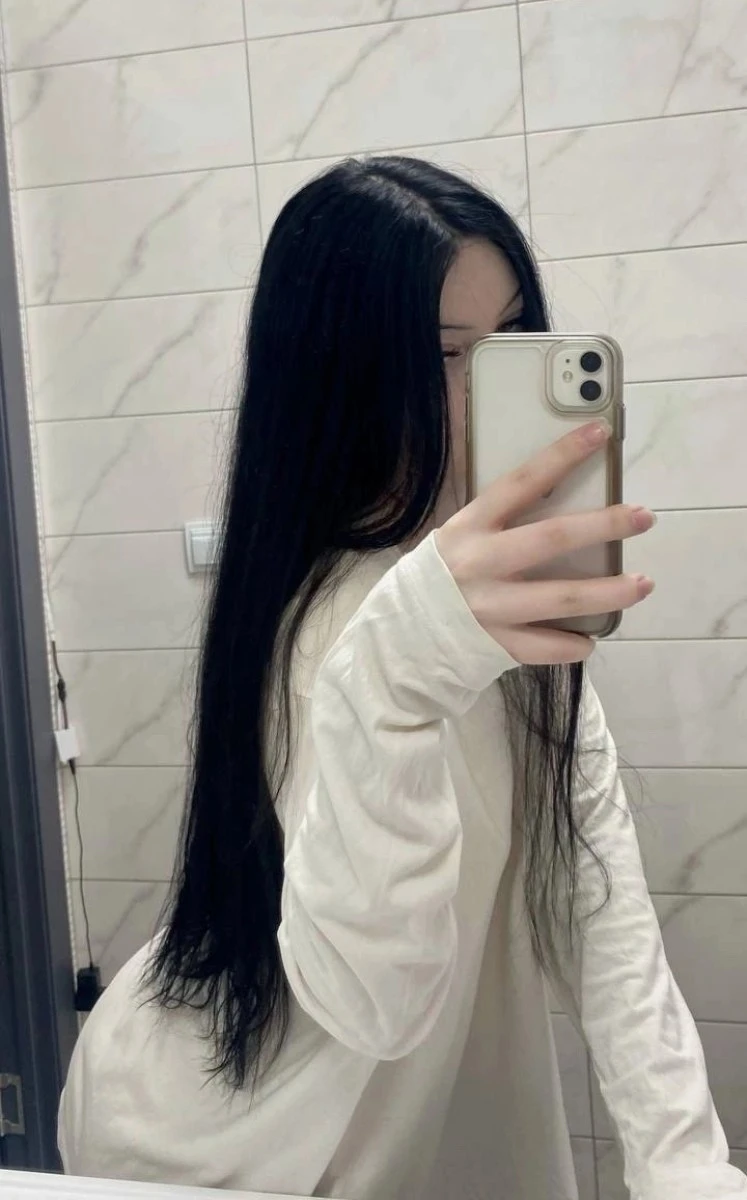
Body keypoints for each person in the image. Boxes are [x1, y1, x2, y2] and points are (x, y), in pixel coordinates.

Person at [58, 157, 746, 1200]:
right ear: (340, 380)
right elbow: (375, 1005)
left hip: (383, 1109)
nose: (491, 387)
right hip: (228, 1144)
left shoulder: (495, 600)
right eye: (444, 355)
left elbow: (595, 898)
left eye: (511, 340)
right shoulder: (324, 624)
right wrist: (396, 674)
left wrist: (683, 1164)